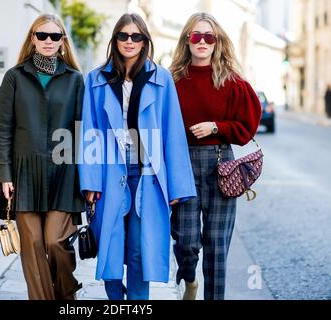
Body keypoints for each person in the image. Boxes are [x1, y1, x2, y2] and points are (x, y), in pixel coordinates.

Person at [78, 13, 196, 300]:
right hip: (109, 175)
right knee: (110, 246)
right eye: (123, 36)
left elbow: (173, 135)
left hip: (148, 176)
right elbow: (89, 133)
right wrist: (91, 182)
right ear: (115, 39)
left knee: (139, 250)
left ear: (145, 41)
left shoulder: (161, 79)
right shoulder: (96, 79)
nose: (129, 42)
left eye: (136, 36)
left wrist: (177, 186)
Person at [0, 13, 85, 300]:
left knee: (55, 241)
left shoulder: (75, 80)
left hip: (63, 173)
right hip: (23, 173)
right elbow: (2, 129)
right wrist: (4, 173)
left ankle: (67, 294)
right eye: (42, 35)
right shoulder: (15, 77)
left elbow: (81, 131)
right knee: (31, 243)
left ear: (62, 42)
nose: (47, 41)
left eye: (54, 36)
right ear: (33, 39)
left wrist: (86, 178)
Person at [169, 12, 262, 300]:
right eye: (196, 36)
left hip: (221, 165)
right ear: (187, 39)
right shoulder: (172, 80)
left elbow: (248, 127)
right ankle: (189, 279)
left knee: (216, 245)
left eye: (208, 36)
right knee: (186, 240)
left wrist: (216, 127)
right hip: (182, 164)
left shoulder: (232, 82)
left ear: (216, 41)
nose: (202, 41)